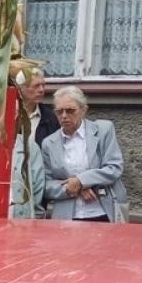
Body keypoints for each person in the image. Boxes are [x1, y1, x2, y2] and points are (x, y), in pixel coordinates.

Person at [40, 86, 127, 223]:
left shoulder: (103, 130)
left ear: (83, 110)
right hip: (66, 217)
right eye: (59, 112)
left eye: (70, 111)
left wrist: (81, 181)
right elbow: (45, 185)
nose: (64, 116)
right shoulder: (49, 143)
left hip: (102, 212)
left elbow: (114, 168)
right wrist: (73, 189)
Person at [18, 67, 59, 146]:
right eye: (36, 86)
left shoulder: (50, 118)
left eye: (43, 85)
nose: (41, 90)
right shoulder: (8, 114)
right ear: (21, 88)